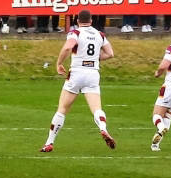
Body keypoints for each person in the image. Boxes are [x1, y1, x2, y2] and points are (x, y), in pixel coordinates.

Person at [37, 9, 117, 152]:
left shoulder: (76, 33)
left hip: (77, 72)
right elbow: (110, 54)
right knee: (97, 108)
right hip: (93, 73)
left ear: (77, 21)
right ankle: (103, 128)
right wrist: (94, 59)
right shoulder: (100, 35)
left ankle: (49, 142)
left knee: (62, 109)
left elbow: (68, 47)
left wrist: (59, 63)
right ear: (91, 21)